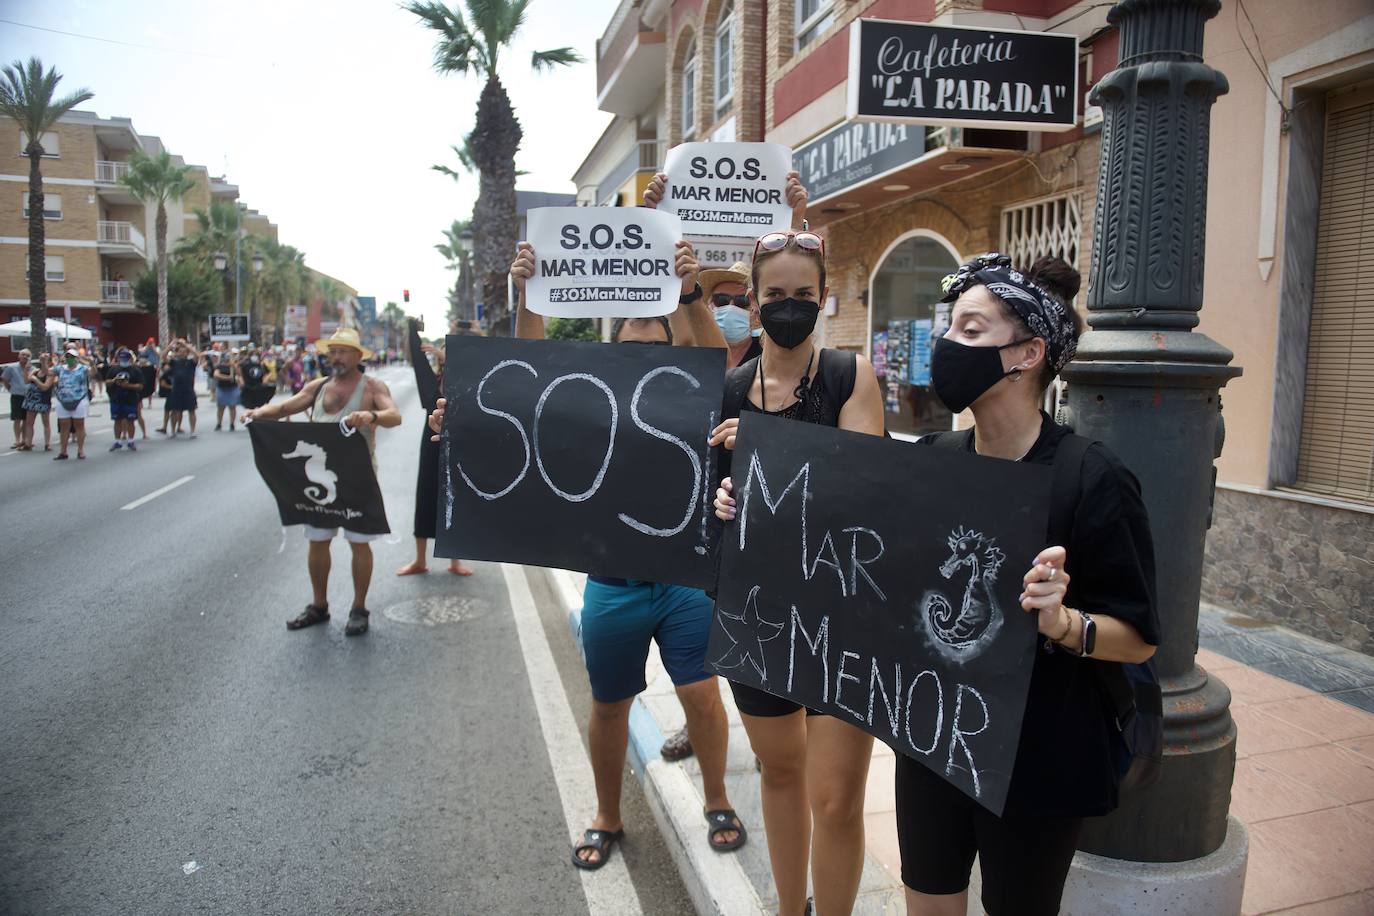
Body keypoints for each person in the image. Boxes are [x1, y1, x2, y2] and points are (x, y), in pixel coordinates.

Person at [427, 236, 746, 872]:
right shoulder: (589, 390)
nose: (644, 350)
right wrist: (529, 292)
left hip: (683, 579)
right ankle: (607, 813)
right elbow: (526, 371)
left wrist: (686, 290)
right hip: (613, 584)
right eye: (632, 341)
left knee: (704, 696)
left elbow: (711, 355)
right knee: (609, 705)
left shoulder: (700, 385)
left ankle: (717, 799)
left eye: (658, 340)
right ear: (612, 348)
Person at [885, 254, 1160, 916]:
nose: (949, 345)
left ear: (1027, 353)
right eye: (950, 328)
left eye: (971, 330)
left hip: (1041, 755)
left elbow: (1141, 640)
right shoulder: (933, 462)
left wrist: (1064, 623)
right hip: (934, 735)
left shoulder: (1093, 480)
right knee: (928, 896)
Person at [709, 229, 886, 916]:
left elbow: (862, 488)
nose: (789, 306)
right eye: (776, 294)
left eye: (802, 295)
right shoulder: (729, 388)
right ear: (754, 302)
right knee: (780, 772)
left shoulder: (849, 376)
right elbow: (727, 493)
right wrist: (724, 497)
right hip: (758, 608)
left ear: (823, 298)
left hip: (841, 609)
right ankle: (791, 909)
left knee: (837, 799)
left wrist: (763, 451)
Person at [243, 328, 401, 637]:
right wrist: (257, 413)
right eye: (333, 351)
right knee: (317, 539)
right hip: (317, 480)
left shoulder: (372, 386)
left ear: (358, 356)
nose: (336, 357)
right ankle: (319, 604)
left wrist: (370, 416)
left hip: (357, 478)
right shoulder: (317, 387)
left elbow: (394, 415)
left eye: (343, 351)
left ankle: (359, 608)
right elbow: (286, 408)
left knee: (359, 542)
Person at [395, 330, 474, 578]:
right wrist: (411, 328)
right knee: (425, 496)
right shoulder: (433, 381)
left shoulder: (463, 378)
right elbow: (418, 362)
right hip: (430, 444)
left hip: (457, 444)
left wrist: (449, 358)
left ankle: (455, 560)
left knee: (453, 500)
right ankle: (419, 559)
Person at [52, 347, 91, 460]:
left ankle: (80, 450)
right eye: (68, 357)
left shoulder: (83, 368)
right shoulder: (60, 369)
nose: (70, 359)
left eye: (72, 357)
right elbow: (48, 371)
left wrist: (91, 363)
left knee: (79, 425)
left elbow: (93, 372)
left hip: (79, 399)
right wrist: (44, 362)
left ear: (77, 358)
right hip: (63, 399)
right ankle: (63, 451)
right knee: (64, 426)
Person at [106, 347, 143, 452]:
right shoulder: (113, 369)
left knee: (130, 420)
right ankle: (117, 441)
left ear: (130, 359)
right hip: (116, 399)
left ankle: (131, 440)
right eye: (121, 359)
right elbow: (107, 382)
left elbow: (140, 386)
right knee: (117, 420)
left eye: (125, 359)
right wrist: (114, 381)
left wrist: (128, 386)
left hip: (130, 399)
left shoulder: (135, 370)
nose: (123, 361)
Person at [166, 339, 200, 437]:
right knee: (174, 411)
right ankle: (172, 430)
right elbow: (163, 357)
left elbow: (197, 356)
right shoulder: (174, 362)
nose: (181, 353)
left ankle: (193, 431)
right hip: (176, 390)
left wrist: (185, 345)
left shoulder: (191, 362)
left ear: (187, 353)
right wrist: (170, 346)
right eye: (180, 351)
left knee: (191, 411)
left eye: (184, 351)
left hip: (188, 390)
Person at [21, 353, 54, 451]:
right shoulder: (35, 371)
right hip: (31, 400)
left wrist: (35, 380)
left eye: (45, 361)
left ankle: (47, 443)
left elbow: (45, 387)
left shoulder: (50, 374)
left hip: (43, 401)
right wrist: (26, 370)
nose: (42, 363)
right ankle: (28, 443)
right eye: (41, 361)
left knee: (46, 422)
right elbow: (26, 381)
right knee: (29, 422)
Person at [3, 348, 32, 448]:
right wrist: (10, 389)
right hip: (16, 396)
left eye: (27, 355)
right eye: (23, 354)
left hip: (28, 396)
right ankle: (17, 440)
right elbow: (5, 380)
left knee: (26, 419)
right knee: (17, 419)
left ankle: (24, 439)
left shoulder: (31, 368)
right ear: (19, 356)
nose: (25, 357)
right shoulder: (11, 367)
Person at [214, 348, 242, 431]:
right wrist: (227, 378)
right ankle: (219, 423)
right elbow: (216, 375)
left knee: (232, 406)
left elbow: (240, 374)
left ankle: (232, 424)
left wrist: (234, 366)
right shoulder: (220, 366)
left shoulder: (234, 366)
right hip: (222, 388)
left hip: (232, 388)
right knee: (221, 407)